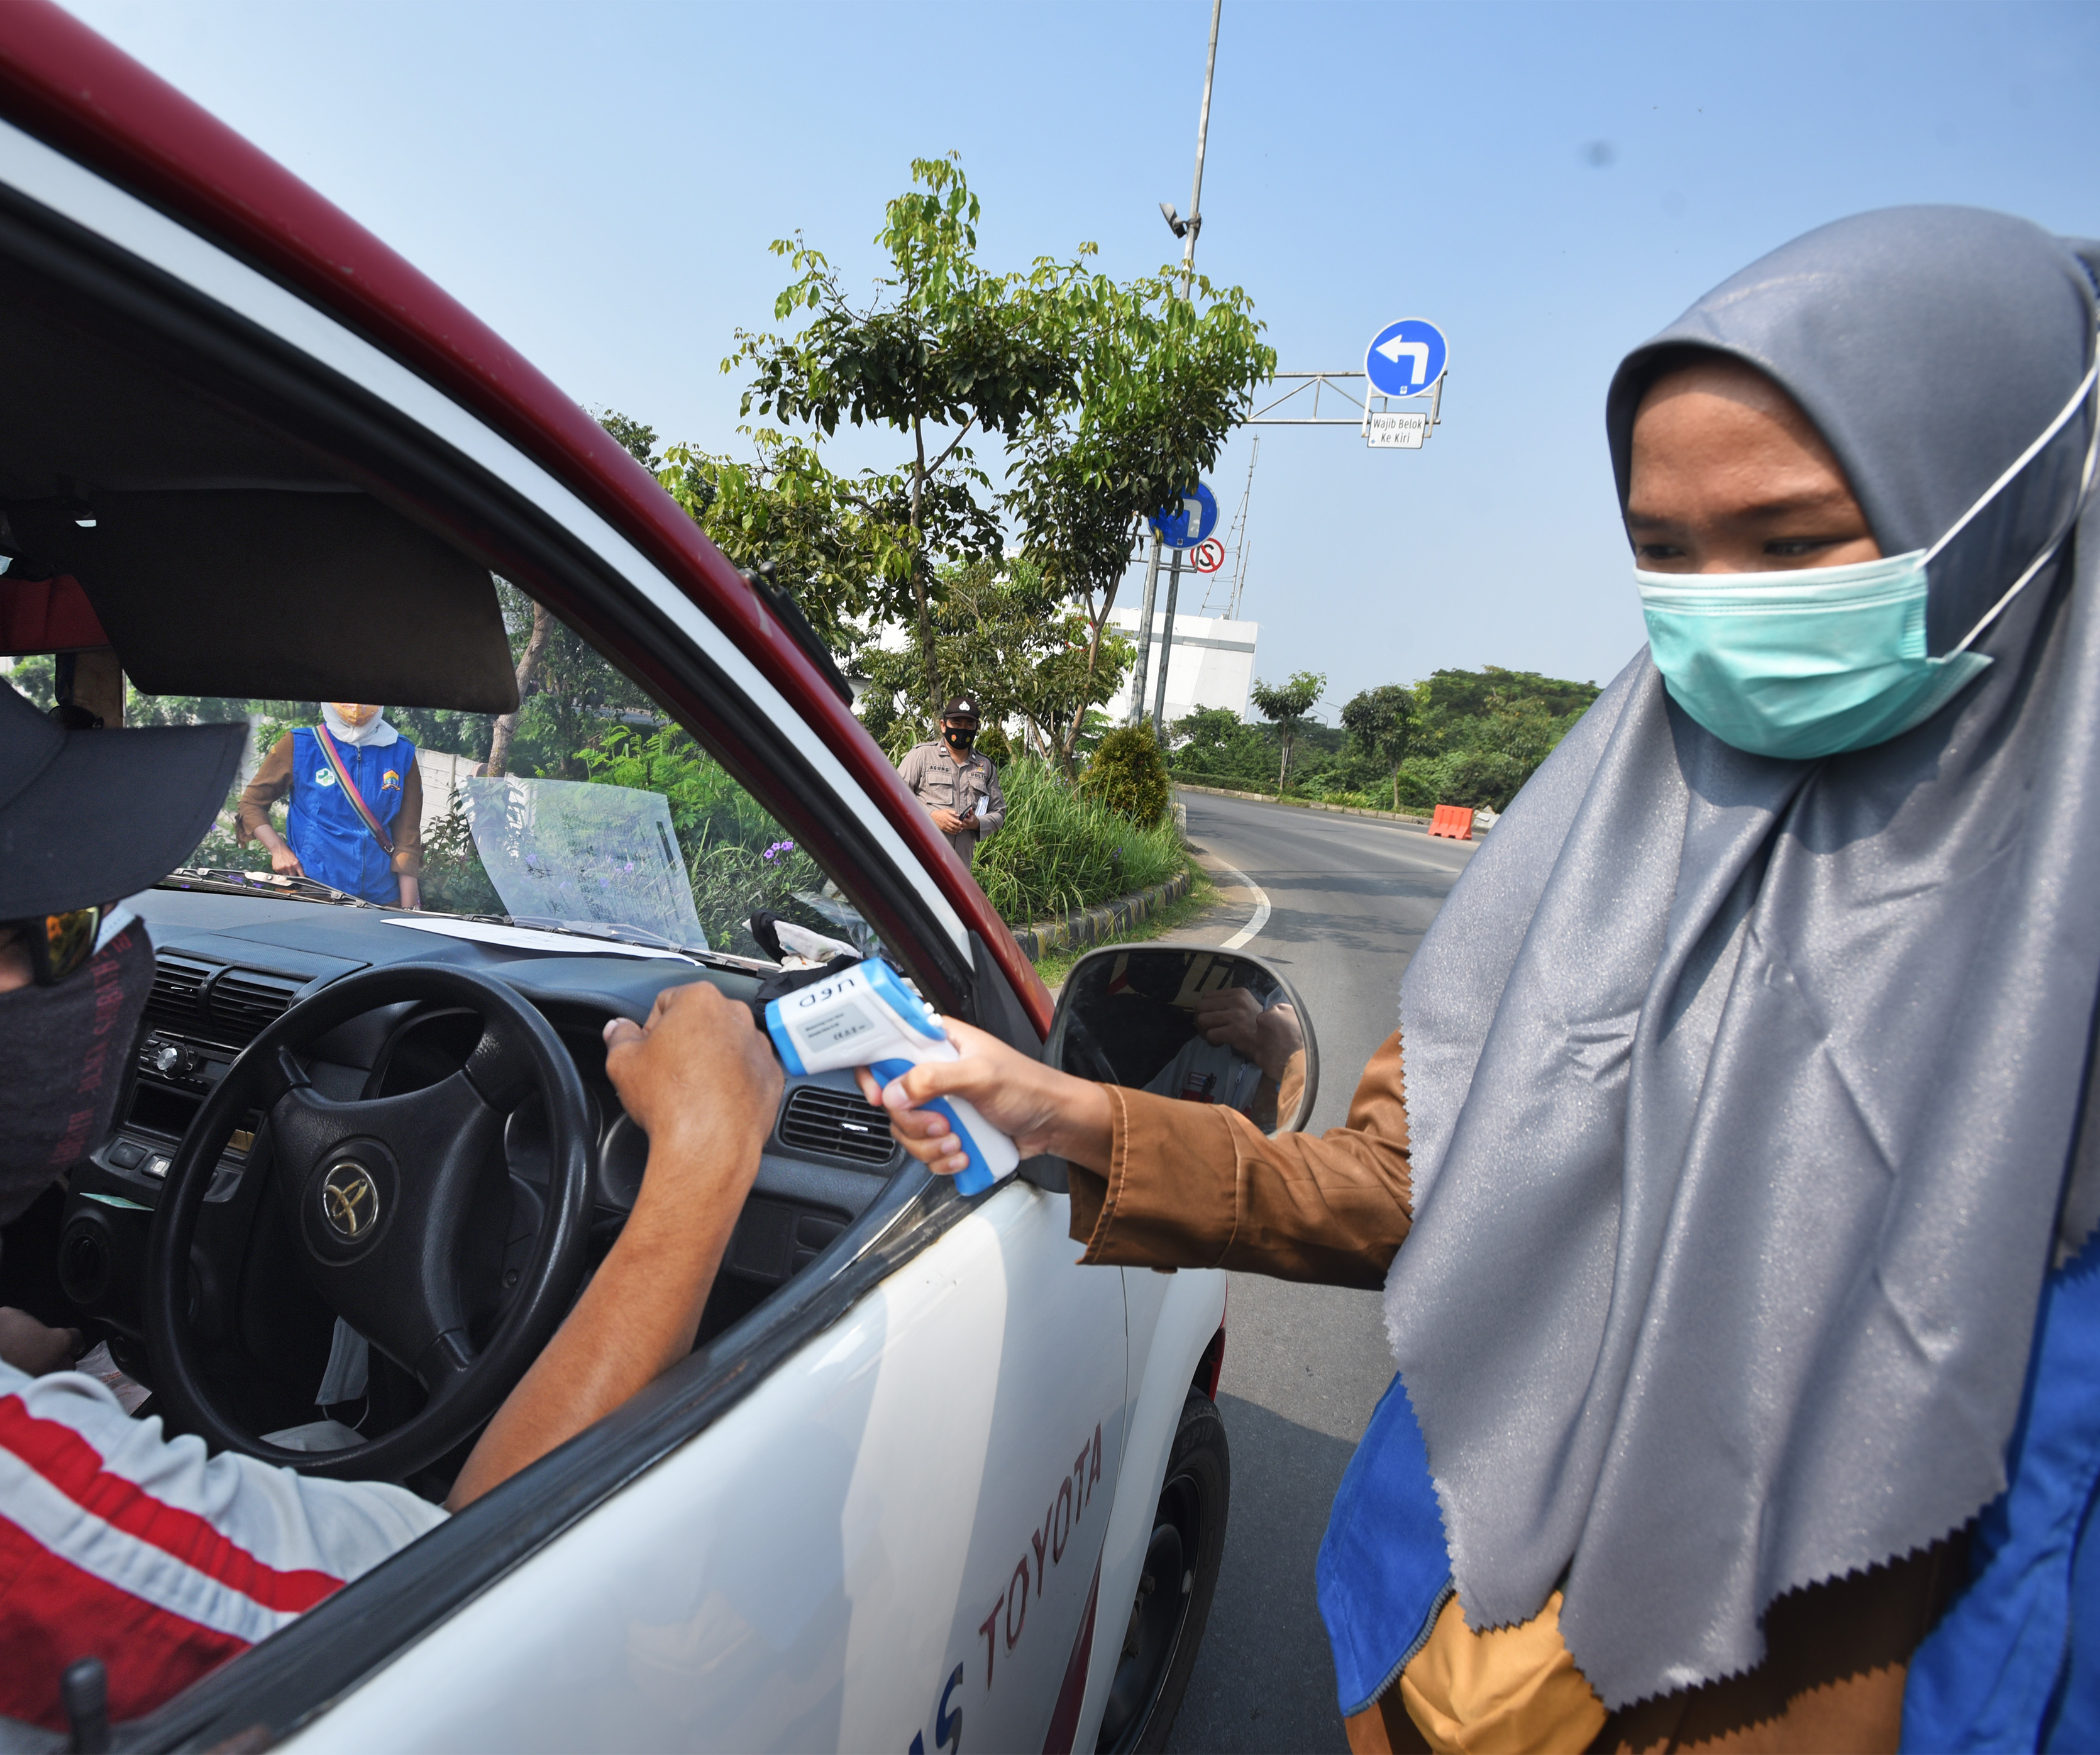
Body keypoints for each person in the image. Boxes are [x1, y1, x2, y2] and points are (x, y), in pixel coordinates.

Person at [861, 209, 2100, 1752]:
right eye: (1664, 550)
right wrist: (1069, 1116)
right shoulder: (1593, 849)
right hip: (1449, 1671)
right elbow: (1393, 1184)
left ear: (1995, 507)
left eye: (1789, 544)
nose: (1720, 607)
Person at [0, 580, 784, 1744]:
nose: (87, 965)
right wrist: (700, 1163)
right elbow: (475, 1621)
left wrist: (31, 1339)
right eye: (38, 933)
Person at [236, 702, 424, 907]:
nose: (357, 706)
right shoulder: (300, 745)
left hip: (380, 901)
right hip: (310, 895)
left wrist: (408, 912)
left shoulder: (402, 753)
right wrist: (278, 850)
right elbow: (251, 803)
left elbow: (408, 839)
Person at [895, 694, 1003, 868]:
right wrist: (931, 816)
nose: (963, 729)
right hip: (918, 864)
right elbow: (894, 795)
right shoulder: (921, 756)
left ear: (977, 728)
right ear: (943, 726)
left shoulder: (986, 767)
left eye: (969, 725)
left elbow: (999, 813)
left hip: (960, 869)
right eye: (957, 723)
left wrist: (977, 823)